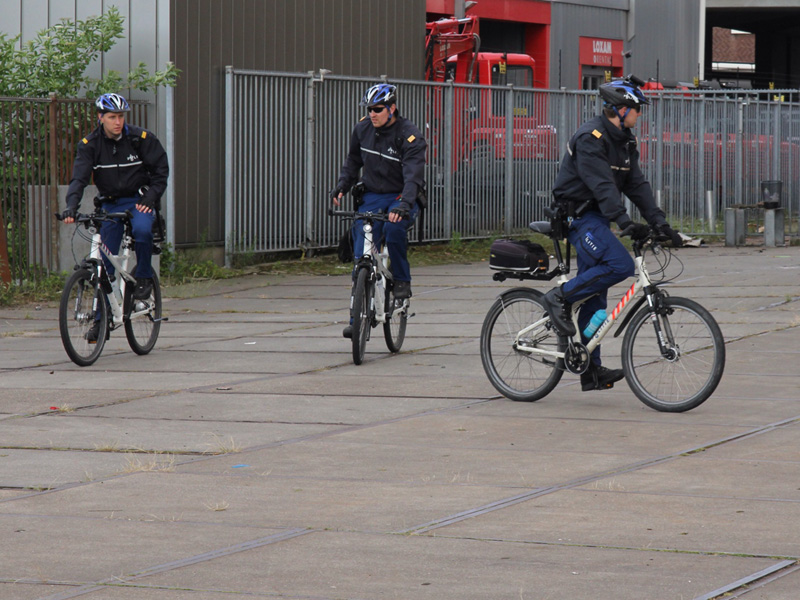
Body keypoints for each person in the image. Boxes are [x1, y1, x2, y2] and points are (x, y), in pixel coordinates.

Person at [542, 78, 683, 392]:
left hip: (599, 220)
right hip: (579, 218)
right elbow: (602, 185)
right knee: (619, 265)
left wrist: (661, 225)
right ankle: (558, 298)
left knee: (596, 295)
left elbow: (637, 186)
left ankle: (590, 371)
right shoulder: (589, 138)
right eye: (636, 110)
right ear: (620, 110)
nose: (639, 115)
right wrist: (623, 221)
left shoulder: (625, 141)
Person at [61, 92, 169, 342]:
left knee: (142, 231)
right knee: (103, 266)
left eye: (120, 116)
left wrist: (150, 198)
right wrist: (71, 206)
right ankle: (101, 322)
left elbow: (161, 171)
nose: (117, 121)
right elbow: (79, 178)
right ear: (100, 118)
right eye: (112, 117)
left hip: (138, 201)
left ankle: (143, 280)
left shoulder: (140, 139)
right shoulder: (89, 145)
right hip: (110, 205)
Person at [331, 83, 427, 339]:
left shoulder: (410, 135)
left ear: (391, 108)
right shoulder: (362, 128)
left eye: (377, 109)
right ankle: (355, 319)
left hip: (400, 195)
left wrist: (403, 205)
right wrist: (342, 186)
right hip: (373, 195)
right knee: (362, 249)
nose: (372, 113)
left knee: (395, 229)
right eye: (369, 109)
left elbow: (413, 178)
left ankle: (402, 282)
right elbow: (353, 161)